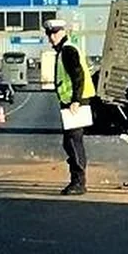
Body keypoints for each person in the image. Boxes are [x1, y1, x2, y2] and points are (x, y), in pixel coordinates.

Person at [45, 18, 94, 195]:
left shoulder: (68, 50)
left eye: (54, 33)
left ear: (62, 32)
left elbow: (78, 75)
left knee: (73, 142)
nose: (51, 38)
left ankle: (79, 182)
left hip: (75, 104)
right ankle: (77, 180)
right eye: (49, 34)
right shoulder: (64, 50)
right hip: (72, 102)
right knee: (71, 142)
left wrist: (76, 100)